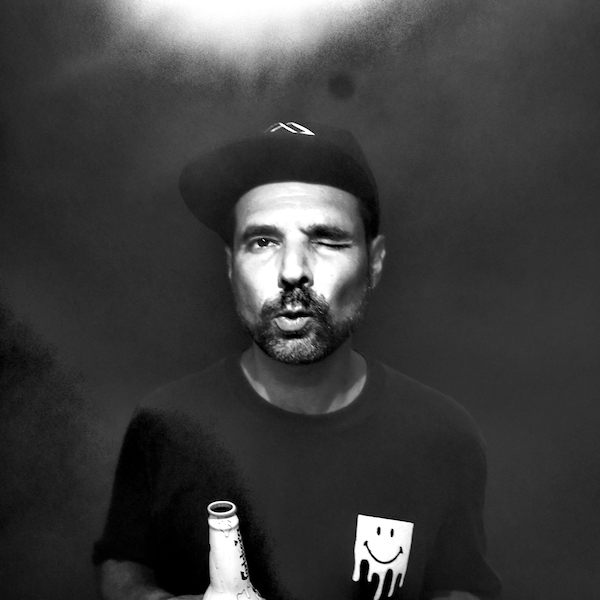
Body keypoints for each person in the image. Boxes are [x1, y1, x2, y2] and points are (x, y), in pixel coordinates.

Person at [93, 121, 502, 600]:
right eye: (263, 241)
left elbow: (462, 587)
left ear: (374, 262)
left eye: (326, 239)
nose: (292, 271)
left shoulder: (443, 437)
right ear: (230, 265)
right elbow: (124, 562)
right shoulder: (164, 425)